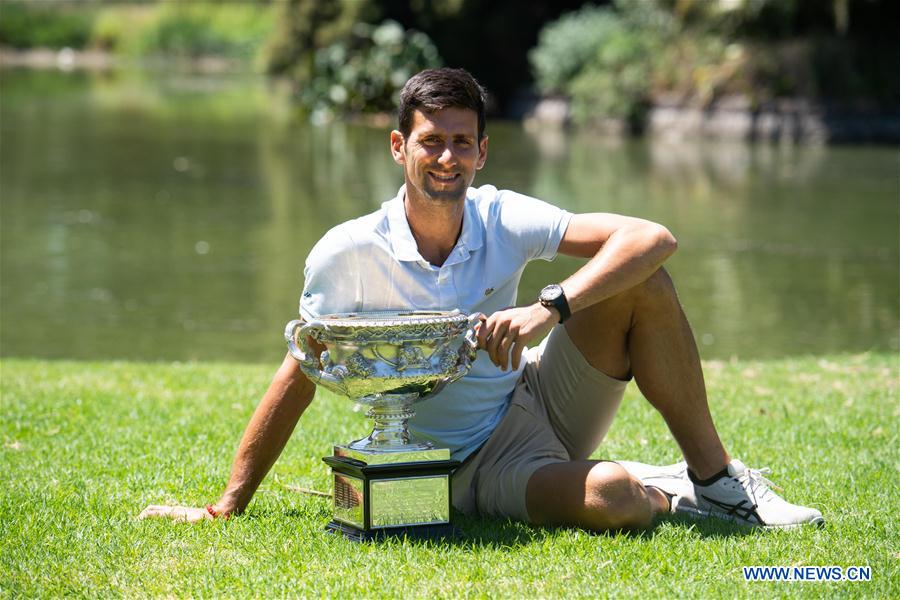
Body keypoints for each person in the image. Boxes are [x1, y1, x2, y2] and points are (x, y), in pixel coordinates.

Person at [139, 68, 823, 530]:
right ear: (398, 147)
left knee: (639, 277)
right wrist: (228, 505)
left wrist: (548, 308)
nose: (448, 158)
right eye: (431, 142)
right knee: (618, 500)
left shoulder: (501, 214)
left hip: (538, 396)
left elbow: (653, 237)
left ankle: (717, 482)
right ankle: (665, 488)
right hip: (473, 465)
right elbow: (299, 372)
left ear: (483, 151)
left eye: (462, 143)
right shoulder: (346, 253)